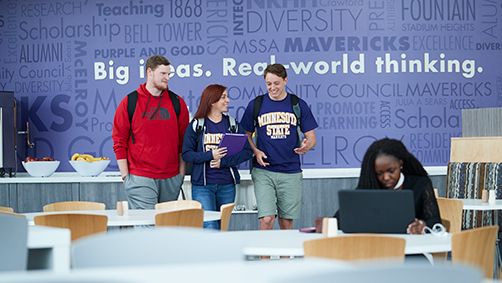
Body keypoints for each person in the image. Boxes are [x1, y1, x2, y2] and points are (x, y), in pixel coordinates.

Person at [240, 63, 318, 232]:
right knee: (267, 219)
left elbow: (311, 138)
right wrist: (255, 150)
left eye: (276, 83)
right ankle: (264, 259)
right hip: (264, 170)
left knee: (286, 223)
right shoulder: (257, 104)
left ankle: (284, 258)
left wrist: (306, 146)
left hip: (290, 170)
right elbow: (245, 134)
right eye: (269, 84)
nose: (272, 88)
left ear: (285, 80)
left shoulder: (298, 104)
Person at [112, 55, 189, 210]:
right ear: (150, 72)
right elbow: (119, 141)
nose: (167, 78)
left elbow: (184, 143)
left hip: (171, 179)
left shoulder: (177, 103)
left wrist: (180, 175)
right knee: (147, 228)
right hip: (140, 177)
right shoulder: (129, 102)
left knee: (165, 227)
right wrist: (126, 177)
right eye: (163, 74)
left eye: (169, 74)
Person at [182, 84, 253, 229]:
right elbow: (187, 154)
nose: (228, 100)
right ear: (212, 101)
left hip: (227, 185)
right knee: (209, 226)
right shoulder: (197, 125)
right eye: (223, 97)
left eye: (227, 97)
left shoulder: (232, 124)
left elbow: (247, 151)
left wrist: (224, 162)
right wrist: (210, 155)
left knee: (222, 227)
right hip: (202, 186)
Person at [335, 138, 441, 234]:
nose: (386, 178)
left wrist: (423, 226)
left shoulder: (420, 185)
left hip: (411, 249)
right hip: (376, 248)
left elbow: (436, 224)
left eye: (391, 171)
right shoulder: (369, 187)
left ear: (400, 163)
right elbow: (340, 220)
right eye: (379, 173)